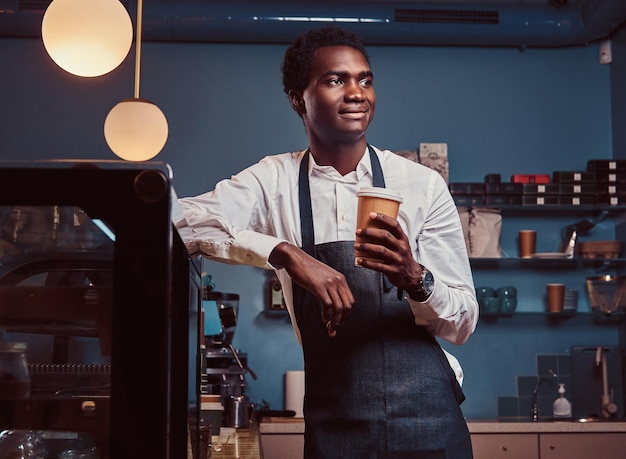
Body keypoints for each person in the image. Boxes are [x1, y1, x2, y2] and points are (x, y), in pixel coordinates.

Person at [176, 26, 478, 459]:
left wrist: (416, 278)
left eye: (365, 80)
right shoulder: (274, 180)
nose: (356, 93)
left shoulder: (421, 184)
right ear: (299, 98)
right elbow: (181, 223)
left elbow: (463, 323)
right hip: (336, 421)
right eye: (336, 80)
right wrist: (282, 252)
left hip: (428, 418)